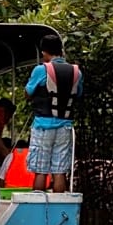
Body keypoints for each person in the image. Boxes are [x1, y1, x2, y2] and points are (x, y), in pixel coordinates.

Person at [25, 33, 83, 193]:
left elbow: (28, 93)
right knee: (59, 171)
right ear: (61, 50)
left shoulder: (40, 70)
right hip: (65, 127)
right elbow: (78, 94)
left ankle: (37, 210)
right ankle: (60, 211)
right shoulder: (76, 72)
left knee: (41, 170)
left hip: (43, 125)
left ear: (43, 52)